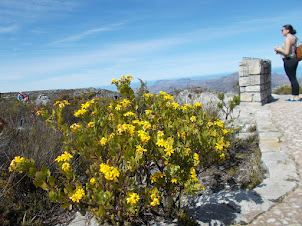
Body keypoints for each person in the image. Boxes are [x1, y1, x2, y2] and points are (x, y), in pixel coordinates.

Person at [274, 24, 300, 101]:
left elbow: (286, 52)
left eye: (282, 30)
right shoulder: (294, 38)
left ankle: (296, 96)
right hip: (294, 59)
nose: (282, 32)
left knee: (292, 78)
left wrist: (278, 49)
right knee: (293, 78)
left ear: (287, 30)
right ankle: (294, 95)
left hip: (289, 60)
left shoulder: (288, 39)